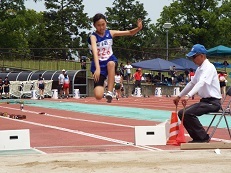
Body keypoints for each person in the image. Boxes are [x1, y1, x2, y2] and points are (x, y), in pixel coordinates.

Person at [88, 13, 142, 103]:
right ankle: (104, 85)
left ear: (106, 23)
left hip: (109, 59)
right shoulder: (93, 37)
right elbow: (94, 52)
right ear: (94, 25)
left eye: (103, 24)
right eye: (98, 25)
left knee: (111, 63)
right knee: (98, 95)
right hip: (98, 64)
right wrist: (97, 69)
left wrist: (138, 28)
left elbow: (129, 32)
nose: (101, 27)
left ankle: (109, 92)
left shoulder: (110, 33)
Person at [173, 44, 222, 143]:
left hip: (213, 102)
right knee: (182, 113)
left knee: (188, 113)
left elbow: (201, 83)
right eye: (192, 57)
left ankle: (203, 138)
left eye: (194, 57)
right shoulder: (199, 69)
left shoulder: (209, 67)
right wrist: (179, 96)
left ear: (202, 56)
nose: (193, 60)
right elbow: (192, 83)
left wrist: (188, 95)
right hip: (204, 101)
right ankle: (197, 137)